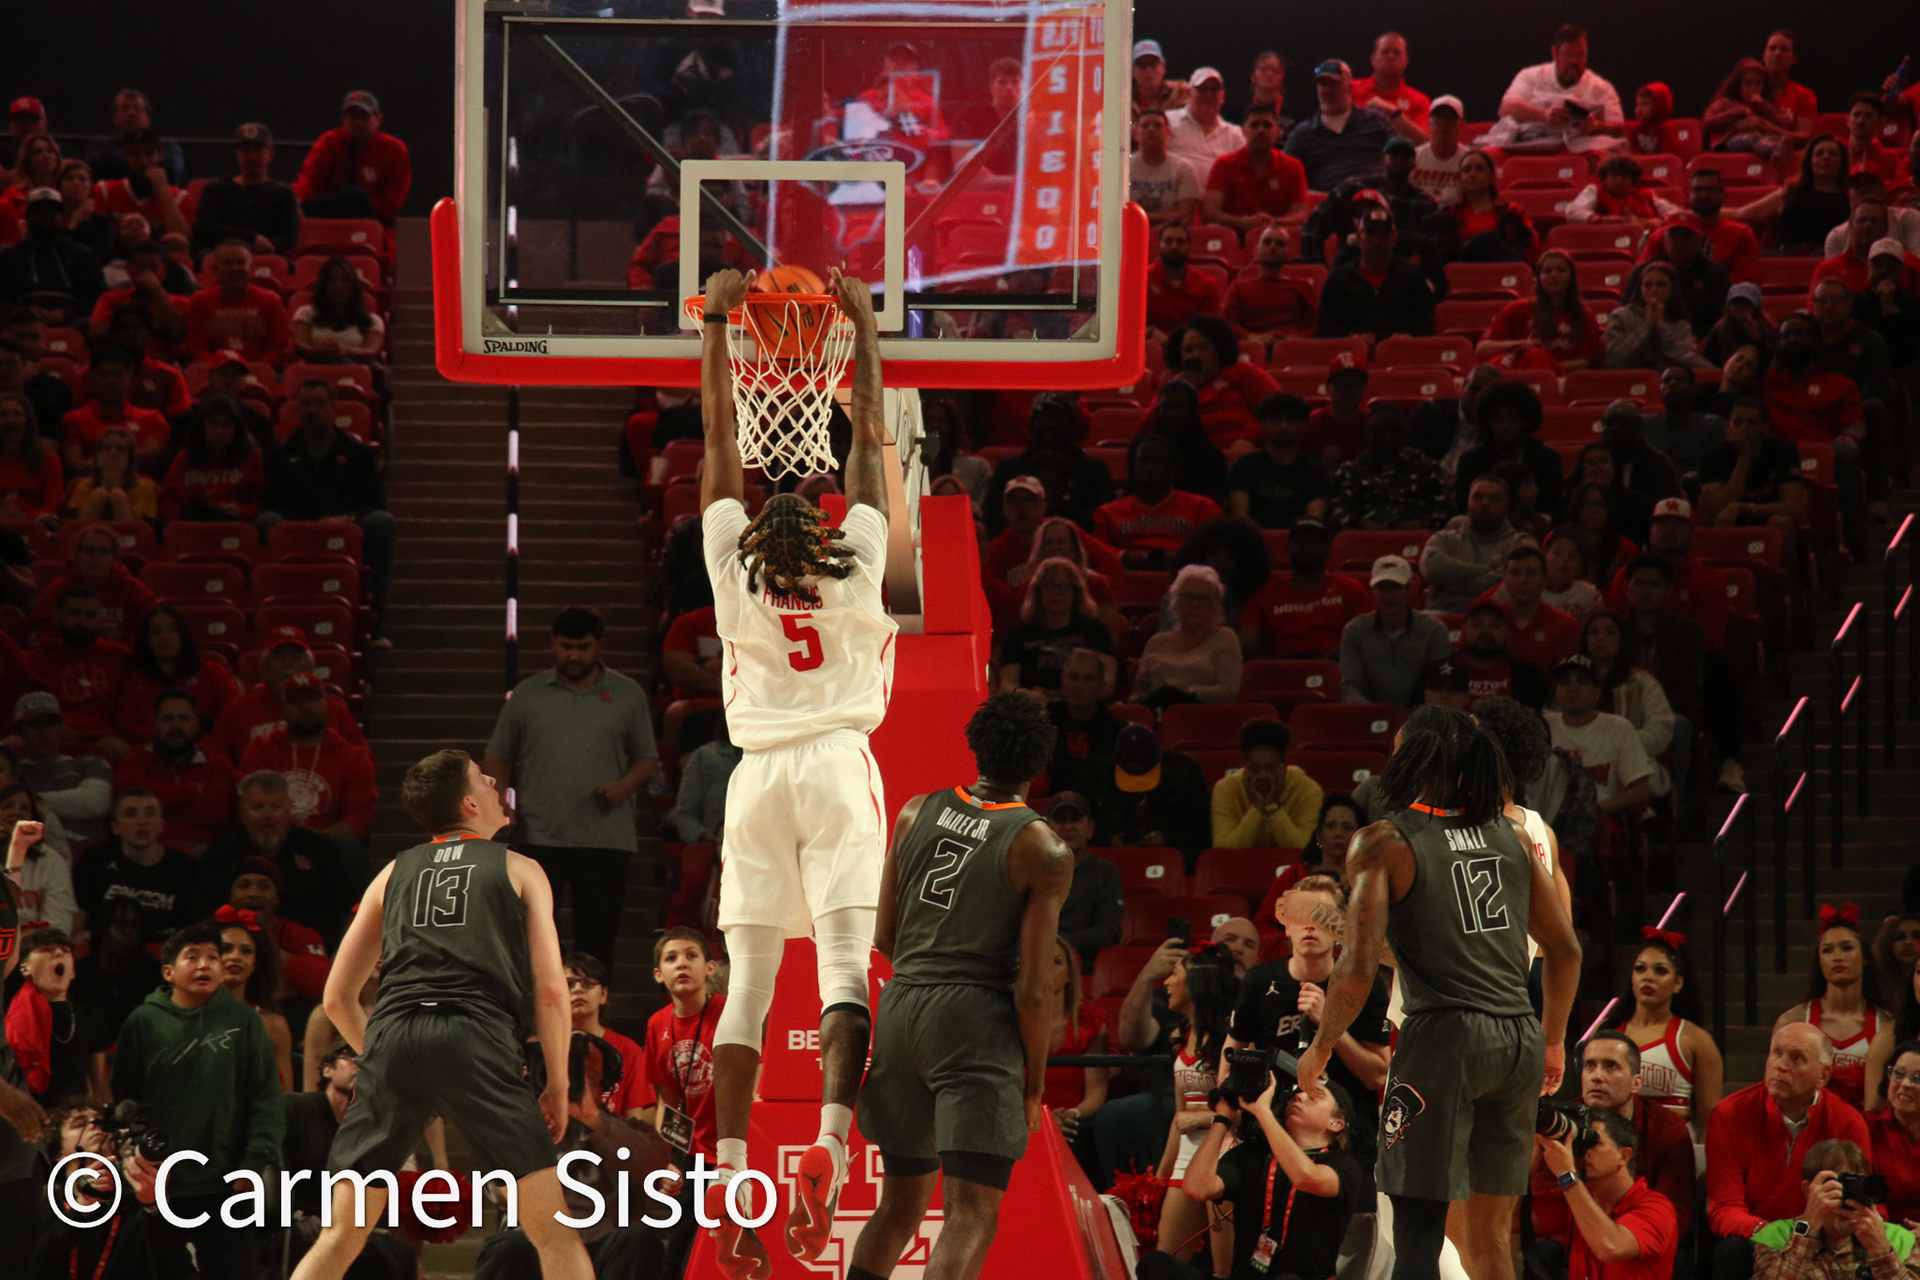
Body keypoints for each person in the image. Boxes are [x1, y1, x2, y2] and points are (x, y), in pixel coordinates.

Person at [683, 269, 895, 1271]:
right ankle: (830, 1141)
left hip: (758, 772)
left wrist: (721, 325)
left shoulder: (734, 569)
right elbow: (871, 448)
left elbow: (719, 444)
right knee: (845, 971)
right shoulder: (857, 565)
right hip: (838, 764)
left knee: (749, 985)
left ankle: (731, 1169)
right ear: (826, 528)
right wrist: (861, 332)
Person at [1291, 704, 1582, 1280]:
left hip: (1445, 1039)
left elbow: (1357, 965)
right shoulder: (1514, 835)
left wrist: (1321, 1045)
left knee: (1419, 1232)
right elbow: (1566, 950)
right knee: (1491, 1240)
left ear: (1418, 759)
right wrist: (1553, 1041)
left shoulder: (1383, 841)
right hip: (1518, 1038)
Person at [285, 750, 591, 1280]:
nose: (494, 781)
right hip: (476, 1034)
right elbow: (549, 990)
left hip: (394, 1033)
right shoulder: (520, 868)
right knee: (554, 1232)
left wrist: (380, 1060)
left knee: (339, 1237)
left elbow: (336, 997)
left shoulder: (390, 873)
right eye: (483, 778)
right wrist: (558, 1084)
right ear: (470, 803)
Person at [846, 693, 1073, 1280]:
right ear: (1039, 763)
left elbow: (885, 935)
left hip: (902, 1005)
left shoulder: (915, 811)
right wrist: (1034, 1084)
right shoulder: (1043, 848)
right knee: (971, 1213)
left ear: (975, 748)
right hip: (974, 1019)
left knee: (898, 1207)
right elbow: (1033, 989)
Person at [482, 605, 657, 968]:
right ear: (553, 644)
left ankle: (593, 1004)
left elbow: (647, 758)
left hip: (606, 838)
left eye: (583, 647)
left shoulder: (627, 694)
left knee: (598, 940)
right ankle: (537, 1002)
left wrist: (624, 786)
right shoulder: (528, 695)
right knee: (533, 937)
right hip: (538, 834)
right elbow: (498, 756)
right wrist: (501, 802)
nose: (574, 656)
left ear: (600, 646)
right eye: (566, 647)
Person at [108, 919, 281, 1277]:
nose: (205, 965)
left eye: (213, 957)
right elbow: (126, 1101)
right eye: (193, 957)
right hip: (160, 1184)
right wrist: (138, 1162)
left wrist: (253, 1162)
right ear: (168, 972)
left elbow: (266, 1099)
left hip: (226, 1181)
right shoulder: (143, 1022)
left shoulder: (244, 1020)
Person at [1704, 1022, 1872, 1280]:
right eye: (1776, 1053)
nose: (1780, 1065)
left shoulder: (1848, 1122)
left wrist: (1810, 1233)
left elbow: (1861, 1204)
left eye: (1797, 1058)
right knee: (1731, 1251)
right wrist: (1780, 1234)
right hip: (1756, 1236)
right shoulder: (1728, 1114)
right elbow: (1724, 1209)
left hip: (1826, 1238)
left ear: (1823, 1075)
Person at [1146, 939, 1241, 1267]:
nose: (1167, 982)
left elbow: (1249, 1110)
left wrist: (1201, 1119)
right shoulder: (1179, 1036)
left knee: (1224, 1269)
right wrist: (1159, 1179)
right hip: (1187, 1157)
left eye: (1175, 973)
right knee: (1164, 1262)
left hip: (1225, 1156)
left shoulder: (1234, 1037)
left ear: (1197, 982)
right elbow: (1180, 1115)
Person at [1776, 904, 1897, 1113]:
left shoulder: (1886, 1024)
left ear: (1866, 958)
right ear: (1819, 960)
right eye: (1827, 950)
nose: (1837, 956)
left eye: (1847, 948)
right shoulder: (1793, 1021)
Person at [1535, 1110, 1681, 1280]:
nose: (1584, 1152)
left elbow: (1611, 1248)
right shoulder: (1573, 1198)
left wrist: (1567, 1176)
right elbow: (1513, 1220)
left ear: (1624, 1156)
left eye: (1593, 1143)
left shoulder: (1657, 1208)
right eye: (1580, 1143)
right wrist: (1531, 1152)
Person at [238, 672, 378, 846]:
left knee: (350, 847)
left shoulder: (353, 756)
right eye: (296, 701)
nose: (305, 706)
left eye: (312, 699)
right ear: (283, 709)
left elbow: (359, 818)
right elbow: (248, 805)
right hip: (270, 840)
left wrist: (314, 840)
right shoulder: (261, 749)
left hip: (328, 843)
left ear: (326, 704)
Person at [1748, 1139, 1915, 1280]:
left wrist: (1882, 1253)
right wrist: (1809, 1226)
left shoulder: (1897, 1238)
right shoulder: (1778, 1235)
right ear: (1809, 1190)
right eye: (1838, 1184)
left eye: (1855, 1185)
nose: (1846, 1195)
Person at [1619, 931, 1725, 1136]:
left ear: (1678, 983)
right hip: (1613, 1146)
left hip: (1672, 1148)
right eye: (1640, 969)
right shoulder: (1606, 1033)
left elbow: (1709, 1118)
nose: (1648, 977)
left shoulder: (1696, 1040)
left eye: (1660, 971)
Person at [112, 689, 236, 846]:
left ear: (196, 725)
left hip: (202, 851)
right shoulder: (135, 760)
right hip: (145, 848)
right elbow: (128, 803)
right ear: (155, 724)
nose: (176, 725)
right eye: (168, 719)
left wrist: (156, 807)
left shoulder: (218, 765)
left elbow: (216, 813)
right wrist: (187, 792)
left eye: (184, 718)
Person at [8, 926, 111, 1104]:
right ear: (25, 968)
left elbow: (100, 1085)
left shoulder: (91, 1016)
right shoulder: (9, 1015)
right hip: (25, 1112)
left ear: (73, 972)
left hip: (74, 1115)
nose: (58, 953)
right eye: (46, 950)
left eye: (65, 951)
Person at [1094, 434, 1225, 566]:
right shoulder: (1107, 513)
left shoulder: (1204, 508)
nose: (1149, 467)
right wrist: (1127, 557)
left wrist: (1183, 557)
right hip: (1123, 573)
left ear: (1173, 467)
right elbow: (1096, 550)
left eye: (1157, 461)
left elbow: (1217, 549)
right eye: (1142, 461)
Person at [1495, 24, 1626, 155]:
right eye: (1568, 54)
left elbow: (1619, 128)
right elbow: (1506, 108)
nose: (1574, 61)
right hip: (1532, 146)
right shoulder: (1531, 76)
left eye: (1580, 55)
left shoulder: (1601, 88)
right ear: (1555, 54)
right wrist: (1543, 115)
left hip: (1579, 151)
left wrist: (1596, 126)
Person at [116, 606, 239, 744]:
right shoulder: (133, 680)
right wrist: (171, 741)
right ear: (146, 639)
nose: (164, 636)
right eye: (155, 631)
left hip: (207, 749)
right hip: (152, 750)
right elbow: (128, 727)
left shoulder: (213, 673)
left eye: (173, 629)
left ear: (183, 635)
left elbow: (230, 721)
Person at [1086, 722, 1212, 857]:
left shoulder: (1184, 772)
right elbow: (1078, 828)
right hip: (1110, 858)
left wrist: (1167, 840)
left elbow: (1204, 832)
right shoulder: (1097, 773)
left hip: (1169, 858)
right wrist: (1108, 842)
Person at [1339, 555, 1451, 706]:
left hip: (1421, 714)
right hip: (1371, 715)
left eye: (1395, 588)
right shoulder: (1354, 631)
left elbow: (1440, 685)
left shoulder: (1434, 630)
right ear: (1373, 590)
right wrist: (1373, 713)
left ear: (1408, 589)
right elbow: (1350, 686)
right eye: (1382, 588)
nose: (1388, 596)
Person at [1698, 395, 1808, 543]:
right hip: (1728, 523)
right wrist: (1743, 458)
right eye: (1738, 422)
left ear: (1765, 427)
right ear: (1728, 425)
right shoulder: (1712, 456)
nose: (1743, 428)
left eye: (1751, 423)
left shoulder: (1784, 451)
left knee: (1781, 522)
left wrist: (1742, 507)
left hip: (1767, 521)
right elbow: (1716, 509)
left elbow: (1793, 508)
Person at [1317, 202, 1437, 337]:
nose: (1377, 241)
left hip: (1400, 347)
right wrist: (1351, 338)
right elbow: (1326, 323)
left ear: (1394, 239)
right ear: (1358, 238)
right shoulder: (1339, 278)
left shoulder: (1413, 276)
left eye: (1384, 235)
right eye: (1370, 234)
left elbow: (1427, 321)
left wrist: (1408, 338)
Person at [995, 559, 1114, 695]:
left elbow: (1107, 684)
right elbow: (1007, 686)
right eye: (1049, 585)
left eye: (1065, 586)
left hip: (1082, 705)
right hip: (1034, 704)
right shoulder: (1019, 634)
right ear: (1038, 592)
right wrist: (1034, 697)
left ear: (1076, 592)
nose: (1057, 592)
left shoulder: (1095, 631)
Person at [293, 91, 412, 223]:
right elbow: (309, 177)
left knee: (357, 197)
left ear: (378, 119)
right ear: (344, 119)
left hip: (373, 220)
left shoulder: (395, 150)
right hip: (326, 218)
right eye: (353, 117)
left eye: (364, 116)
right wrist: (297, 198)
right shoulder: (329, 142)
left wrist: (357, 206)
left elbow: (392, 202)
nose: (358, 122)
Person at [1422, 475, 1535, 613]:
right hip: (1443, 614)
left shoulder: (1521, 543)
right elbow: (1432, 569)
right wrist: (1489, 569)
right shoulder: (1443, 539)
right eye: (1478, 497)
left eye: (1494, 499)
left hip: (1499, 616)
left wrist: (1456, 587)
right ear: (1468, 502)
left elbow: (1514, 580)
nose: (1485, 503)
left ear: (1507, 506)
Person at [15, 690, 118, 841]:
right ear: (19, 732)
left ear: (62, 726)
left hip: (85, 847)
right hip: (30, 847)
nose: (43, 732)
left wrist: (26, 802)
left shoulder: (91, 764)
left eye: (50, 723)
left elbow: (96, 804)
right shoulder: (13, 771)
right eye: (34, 725)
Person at [1479, 250, 1605, 372]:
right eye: (1547, 271)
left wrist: (1546, 365)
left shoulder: (1585, 316)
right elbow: (1482, 348)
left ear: (1571, 277)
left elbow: (1587, 361)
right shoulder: (1517, 309)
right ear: (1538, 278)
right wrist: (1521, 344)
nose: (1553, 275)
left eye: (1561, 270)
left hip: (1560, 378)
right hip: (1520, 373)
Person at [1456, 380, 1567, 519]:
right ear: (1488, 422)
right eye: (1499, 419)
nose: (1506, 425)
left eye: (1513, 418)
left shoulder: (1547, 460)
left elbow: (1551, 509)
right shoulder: (1471, 460)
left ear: (1526, 421)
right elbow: (1464, 509)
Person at [1134, 565, 1242, 707]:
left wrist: (1186, 694)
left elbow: (1228, 691)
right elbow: (1137, 693)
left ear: (1216, 605)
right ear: (1175, 602)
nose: (1194, 604)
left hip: (1202, 713)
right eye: (1187, 596)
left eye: (1203, 598)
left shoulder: (1225, 638)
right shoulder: (1156, 641)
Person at [190, 122, 301, 257]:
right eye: (246, 151)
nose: (252, 157)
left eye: (258, 151)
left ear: (270, 154)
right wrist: (251, 240)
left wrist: (263, 247)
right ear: (237, 154)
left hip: (266, 258)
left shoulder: (283, 193)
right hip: (220, 257)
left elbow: (290, 239)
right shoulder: (215, 190)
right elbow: (205, 228)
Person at [1211, 719, 1323, 849]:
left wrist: (1272, 807)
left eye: (1271, 768)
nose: (1262, 776)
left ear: (1284, 765)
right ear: (1244, 765)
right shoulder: (1226, 789)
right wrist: (1257, 808)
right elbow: (1223, 849)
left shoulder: (1308, 790)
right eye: (1254, 769)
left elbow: (1307, 849)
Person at [1200, 104, 1310, 238]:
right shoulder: (1224, 164)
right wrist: (1242, 222)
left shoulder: (1293, 167)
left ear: (1277, 132)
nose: (1261, 130)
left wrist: (1273, 223)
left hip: (1275, 238)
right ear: (1244, 131)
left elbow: (1300, 215)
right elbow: (1209, 213)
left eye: (1267, 125)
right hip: (1234, 236)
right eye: (1254, 125)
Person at [215, 908, 295, 1089]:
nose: (236, 957)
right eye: (226, 949)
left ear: (255, 964)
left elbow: (286, 1097)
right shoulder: (186, 1016)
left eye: (246, 951)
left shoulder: (273, 1026)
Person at [1284, 59, 1394, 191]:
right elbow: (1285, 175)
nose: (1328, 90)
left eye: (1335, 84)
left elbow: (1402, 157)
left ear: (1349, 87)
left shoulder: (1377, 121)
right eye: (1323, 85)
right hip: (1327, 199)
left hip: (1375, 195)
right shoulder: (1302, 134)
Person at [0, 187, 105, 324]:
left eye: (53, 212)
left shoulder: (83, 255)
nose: (46, 216)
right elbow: (3, 298)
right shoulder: (9, 257)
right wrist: (24, 313)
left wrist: (64, 313)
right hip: (21, 323)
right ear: (27, 218)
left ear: (63, 218)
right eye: (39, 212)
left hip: (73, 323)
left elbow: (95, 298)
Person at [1641, 168, 1764, 285]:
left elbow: (1743, 281)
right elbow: (1642, 275)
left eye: (1711, 190)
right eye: (1698, 190)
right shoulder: (1664, 234)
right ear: (1688, 195)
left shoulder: (1741, 234)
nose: (1704, 195)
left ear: (1724, 194)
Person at [1227, 393, 1332, 528]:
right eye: (1276, 420)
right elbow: (1240, 518)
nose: (1283, 426)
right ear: (1264, 424)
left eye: (1290, 421)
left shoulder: (1316, 472)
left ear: (1302, 425)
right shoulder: (1243, 467)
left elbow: (1312, 521)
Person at [182, 239, 290, 364]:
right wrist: (219, 369)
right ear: (215, 268)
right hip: (213, 371)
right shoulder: (199, 302)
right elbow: (195, 347)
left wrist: (256, 369)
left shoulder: (271, 301)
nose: (234, 268)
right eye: (228, 263)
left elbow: (278, 348)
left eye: (240, 262)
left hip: (261, 371)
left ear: (250, 267)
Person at [1478, 546, 1583, 673]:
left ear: (1544, 580)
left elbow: (1565, 678)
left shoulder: (1566, 626)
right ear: (1504, 579)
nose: (1523, 580)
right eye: (1515, 573)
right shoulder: (1483, 624)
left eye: (1531, 573)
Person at [1047, 792, 1122, 967]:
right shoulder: (1030, 870)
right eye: (1060, 820)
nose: (1068, 827)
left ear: (1090, 828)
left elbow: (1109, 931)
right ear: (1046, 828)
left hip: (1085, 964)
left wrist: (1059, 944)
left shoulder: (1106, 872)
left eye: (1075, 819)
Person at [1425, 150, 1539, 264]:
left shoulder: (1513, 212)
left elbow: (1528, 250)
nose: (1473, 174)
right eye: (1466, 170)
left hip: (1503, 268)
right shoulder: (1449, 214)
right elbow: (1442, 255)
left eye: (1480, 169)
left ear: (1491, 176)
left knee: (1489, 239)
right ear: (1460, 178)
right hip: (1464, 268)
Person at [160, 396, 264, 521]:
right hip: (192, 526)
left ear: (237, 429)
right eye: (213, 423)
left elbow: (261, 501)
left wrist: (241, 511)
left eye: (227, 425)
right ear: (202, 427)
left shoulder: (252, 458)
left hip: (235, 524)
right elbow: (167, 498)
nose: (219, 431)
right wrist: (181, 520)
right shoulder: (184, 459)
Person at [1605, 262, 1713, 371]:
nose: (1654, 290)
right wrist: (1647, 324)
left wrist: (1661, 326)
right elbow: (1615, 359)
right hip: (1631, 375)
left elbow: (1685, 357)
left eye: (1661, 285)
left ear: (1671, 289)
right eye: (1648, 285)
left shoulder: (1680, 324)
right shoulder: (1621, 316)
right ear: (1640, 289)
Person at [1638, 213, 1732, 339]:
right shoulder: (1645, 271)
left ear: (1699, 242)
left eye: (1686, 237)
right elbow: (1628, 311)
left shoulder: (1716, 275)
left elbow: (1720, 322)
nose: (1679, 242)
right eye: (1674, 235)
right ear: (1665, 239)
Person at [1222, 226, 1319, 345]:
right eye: (1267, 242)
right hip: (1257, 347)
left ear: (1289, 253)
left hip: (1294, 347)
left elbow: (1315, 324)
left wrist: (1300, 339)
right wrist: (1250, 337)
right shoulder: (1238, 288)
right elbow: (1228, 323)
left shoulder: (1302, 286)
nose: (1272, 247)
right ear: (1256, 250)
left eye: (1279, 244)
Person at [1867, 1042, 1920, 1229]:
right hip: (1881, 1233)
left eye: (1917, 1078)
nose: (1905, 1084)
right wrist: (1896, 1237)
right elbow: (1864, 1197)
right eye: (1899, 1073)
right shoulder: (1866, 1126)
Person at [1165, 67, 1245, 186]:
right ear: (1189, 93)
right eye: (1202, 89)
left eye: (1214, 89)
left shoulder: (1235, 135)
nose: (1208, 94)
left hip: (1218, 196)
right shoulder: (1168, 122)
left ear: (1222, 97)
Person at [1704, 58, 1798, 157]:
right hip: (1729, 143)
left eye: (1758, 84)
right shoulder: (1725, 103)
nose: (1753, 88)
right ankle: (1777, 151)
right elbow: (1707, 122)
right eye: (1748, 83)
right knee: (1753, 139)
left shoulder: (1765, 105)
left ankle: (1779, 151)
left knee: (1771, 139)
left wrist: (1764, 108)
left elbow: (1785, 122)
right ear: (1739, 85)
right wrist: (1741, 111)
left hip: (1763, 140)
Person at [1145, 222, 1225, 338]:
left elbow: (1210, 329)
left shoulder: (1207, 284)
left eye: (1180, 242)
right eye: (1168, 241)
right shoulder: (1143, 278)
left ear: (1189, 247)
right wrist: (1150, 332)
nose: (1174, 246)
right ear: (1159, 246)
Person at [1129, 109, 1201, 230]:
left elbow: (1184, 215)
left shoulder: (1183, 168)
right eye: (1145, 126)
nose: (1151, 130)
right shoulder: (1125, 167)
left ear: (1168, 132)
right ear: (1135, 133)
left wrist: (1139, 217)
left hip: (1170, 234)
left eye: (1158, 125)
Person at [1352, 32, 1432, 139]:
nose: (1391, 57)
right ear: (1373, 60)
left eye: (1397, 53)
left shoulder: (1420, 101)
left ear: (1406, 62)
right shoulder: (1350, 89)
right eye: (1385, 52)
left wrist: (1393, 113)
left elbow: (1426, 141)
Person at [1568, 156, 1680, 227]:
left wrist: (1660, 220)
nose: (1619, 180)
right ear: (1604, 179)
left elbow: (1677, 213)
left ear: (1632, 181)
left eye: (1624, 176)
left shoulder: (1645, 195)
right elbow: (1573, 213)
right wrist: (1604, 220)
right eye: (1614, 175)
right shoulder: (1594, 191)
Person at [1411, 95, 1467, 206]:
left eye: (1449, 121)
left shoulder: (1469, 160)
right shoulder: (1414, 157)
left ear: (1461, 125)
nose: (1443, 127)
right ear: (1429, 124)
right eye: (1438, 121)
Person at [1130, 39, 1191, 118]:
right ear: (1132, 70)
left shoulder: (1181, 91)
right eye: (1142, 64)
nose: (1148, 70)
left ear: (1163, 66)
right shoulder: (1124, 100)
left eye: (1153, 63)